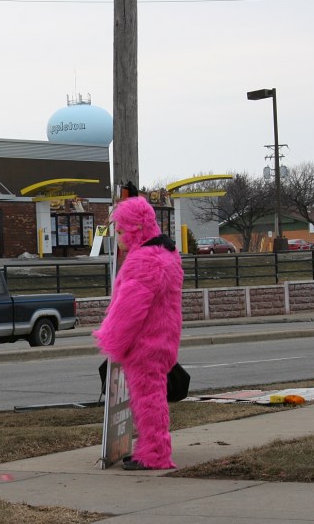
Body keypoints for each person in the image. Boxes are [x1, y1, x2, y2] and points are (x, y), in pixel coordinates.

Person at [92, 196, 184, 470]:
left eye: (120, 231)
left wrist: (111, 339)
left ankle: (155, 453)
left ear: (135, 229)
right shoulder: (166, 252)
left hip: (145, 342)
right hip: (162, 337)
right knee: (152, 397)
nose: (117, 238)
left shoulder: (143, 260)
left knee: (149, 400)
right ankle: (150, 449)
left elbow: (128, 310)